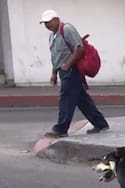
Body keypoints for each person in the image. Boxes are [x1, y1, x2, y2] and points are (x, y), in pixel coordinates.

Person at [40, 9, 109, 138]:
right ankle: (100, 123)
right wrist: (54, 73)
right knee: (81, 99)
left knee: (66, 99)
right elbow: (55, 56)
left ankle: (61, 129)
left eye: (49, 22)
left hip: (72, 70)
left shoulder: (67, 29)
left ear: (56, 19)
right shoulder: (52, 36)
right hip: (63, 70)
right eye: (45, 23)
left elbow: (79, 47)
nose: (47, 25)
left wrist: (68, 64)